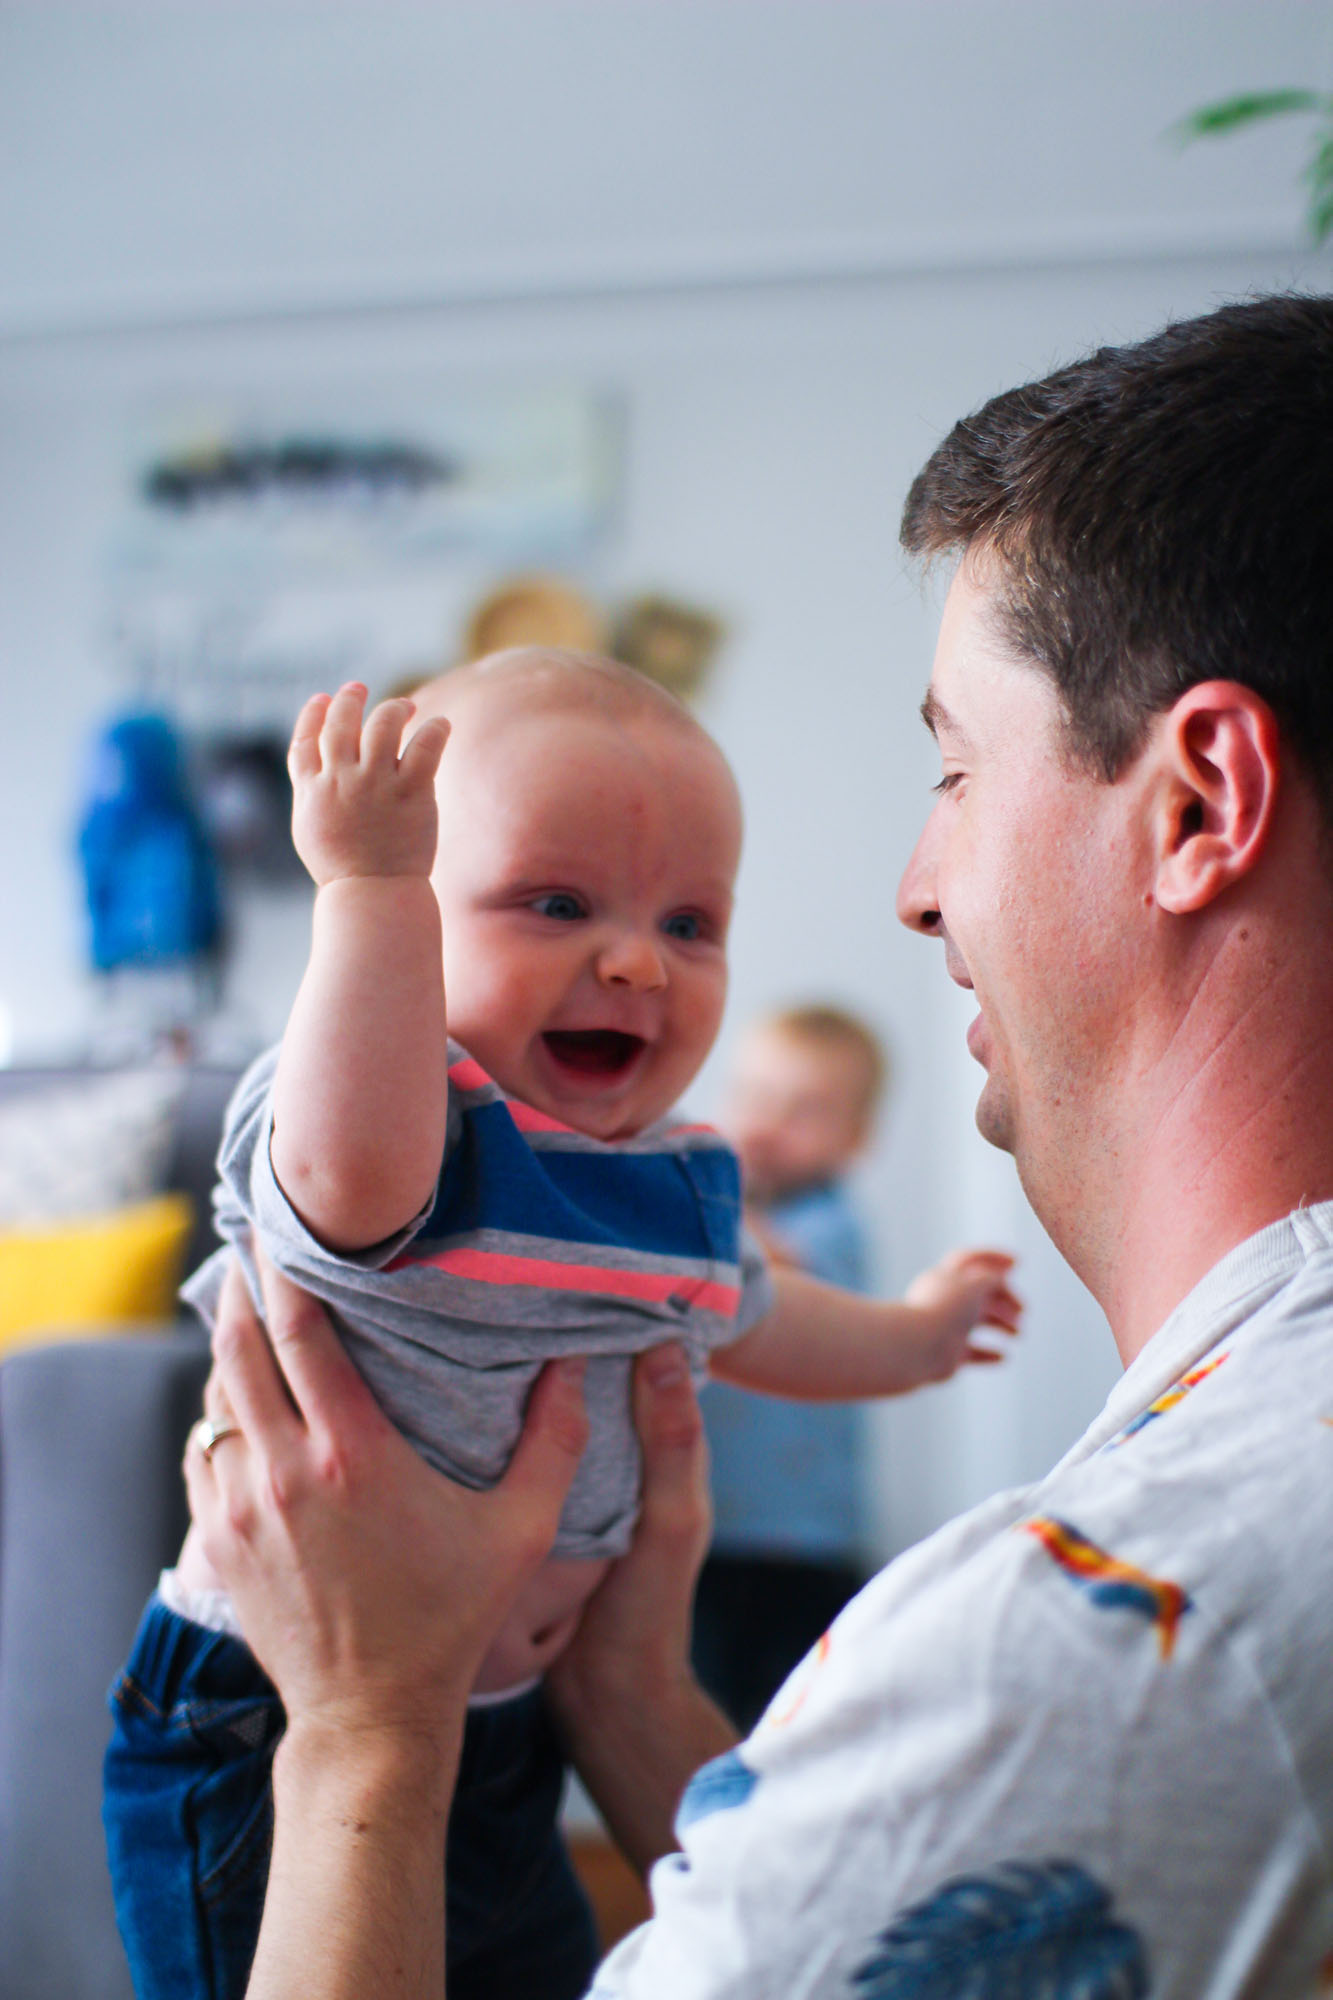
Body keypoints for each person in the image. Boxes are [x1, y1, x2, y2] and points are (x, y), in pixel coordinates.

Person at [185, 292, 1333, 1996]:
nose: (914, 885)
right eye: (552, 903)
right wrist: (639, 1708)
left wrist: (364, 1729)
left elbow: (764, 1310)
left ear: (1193, 808)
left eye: (953, 772)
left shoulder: (1108, 1636)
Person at [104, 647, 1020, 2000]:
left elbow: (762, 1320)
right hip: (269, 1711)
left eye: (692, 924)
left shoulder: (677, 1183)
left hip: (508, 1727)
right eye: (554, 903)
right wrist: (365, 892)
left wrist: (916, 1340)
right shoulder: (407, 1126)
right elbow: (352, 1184)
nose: (637, 962)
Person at [693, 1004, 889, 1729]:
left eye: (805, 1110)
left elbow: (773, 1265)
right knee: (700, 1710)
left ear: (855, 1139)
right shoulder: (725, 1217)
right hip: (703, 1534)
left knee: (795, 1722)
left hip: (805, 1546)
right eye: (753, 1096)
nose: (768, 1122)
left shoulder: (831, 1223)